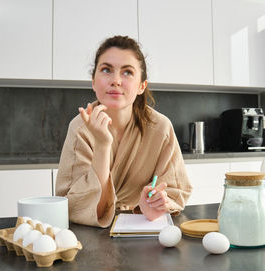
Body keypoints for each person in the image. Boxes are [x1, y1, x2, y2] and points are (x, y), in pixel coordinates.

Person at [55, 35, 192, 228]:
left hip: (144, 229)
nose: (116, 81)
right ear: (93, 82)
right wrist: (102, 146)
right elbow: (77, 205)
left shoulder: (161, 128)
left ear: (141, 86)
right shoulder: (80, 128)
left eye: (127, 72)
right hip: (89, 234)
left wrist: (157, 203)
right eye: (106, 70)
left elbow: (175, 191)